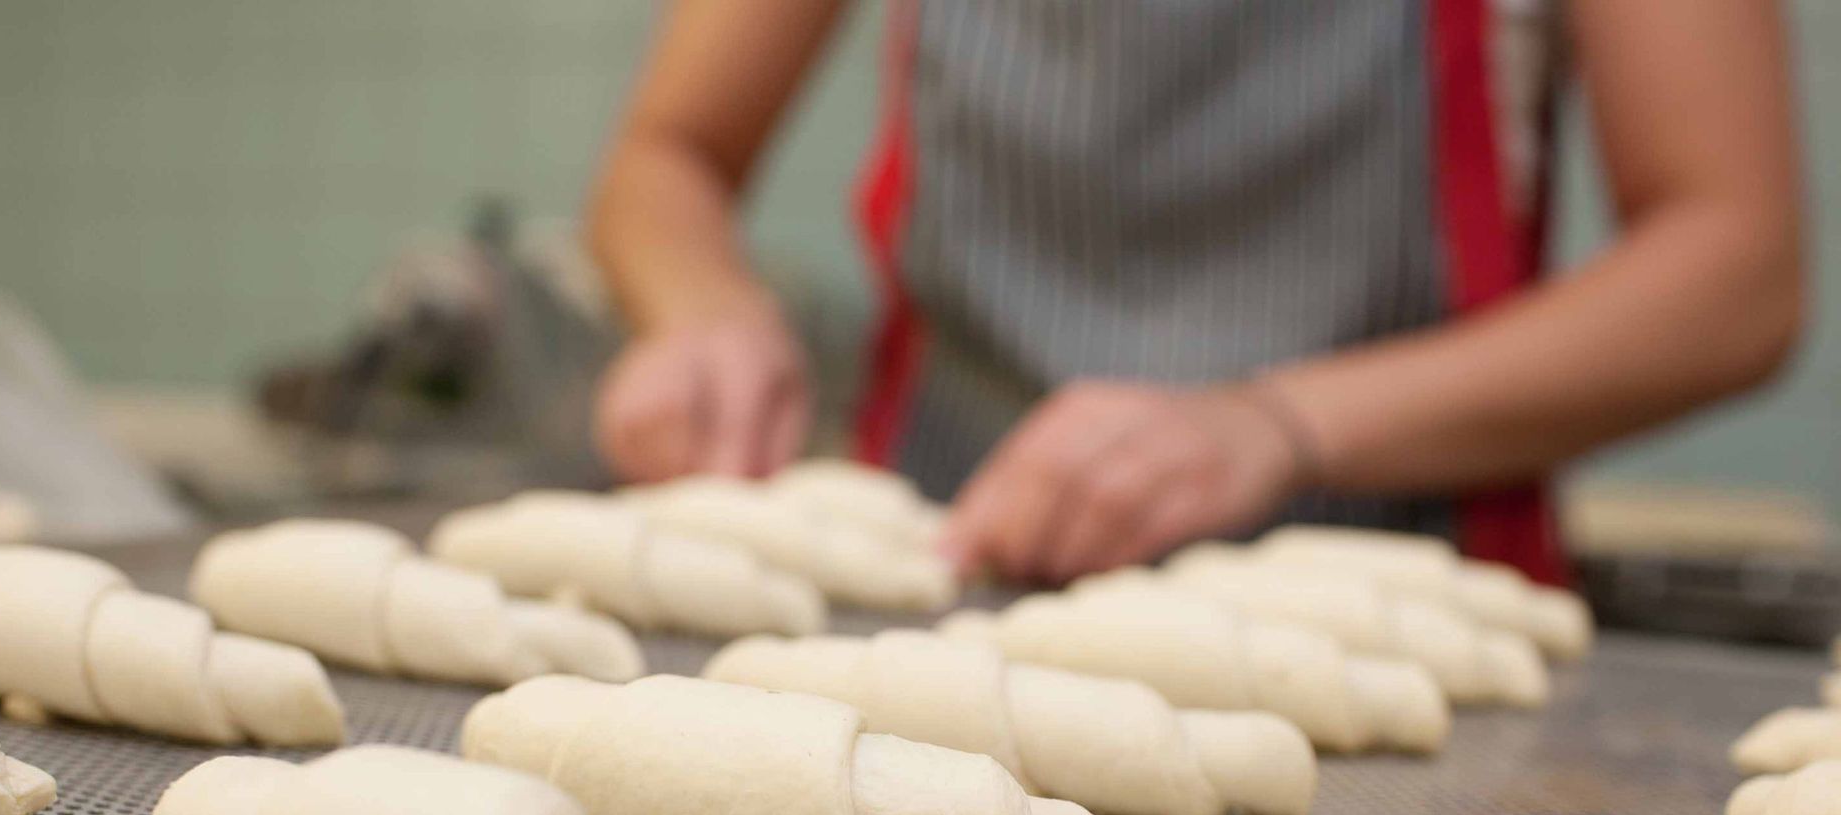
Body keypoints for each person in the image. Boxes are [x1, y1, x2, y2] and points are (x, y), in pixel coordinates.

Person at [588, 0, 1804, 585]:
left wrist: (1278, 422)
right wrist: (705, 310)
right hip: (934, 578)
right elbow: (669, 159)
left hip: (1394, 624)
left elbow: (1736, 266)